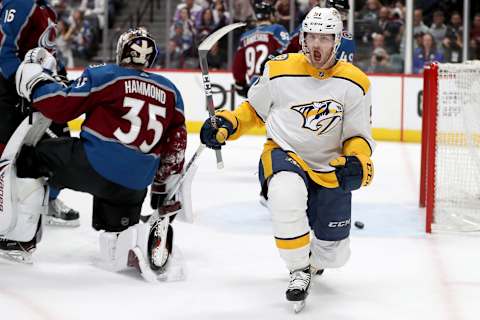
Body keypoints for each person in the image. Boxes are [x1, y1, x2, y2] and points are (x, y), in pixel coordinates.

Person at [200, 7, 374, 305]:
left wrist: (358, 163)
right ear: (302, 38)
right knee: (284, 194)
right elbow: (253, 110)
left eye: (324, 38)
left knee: (334, 255)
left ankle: (314, 261)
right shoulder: (279, 68)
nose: (316, 45)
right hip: (285, 152)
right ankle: (297, 269)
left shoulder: (356, 83)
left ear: (337, 41)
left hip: (329, 166)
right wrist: (229, 123)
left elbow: (358, 136)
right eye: (311, 37)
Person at [1, 27, 187, 281]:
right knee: (114, 252)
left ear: (122, 50)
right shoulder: (171, 92)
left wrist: (36, 80)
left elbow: (60, 106)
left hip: (94, 166)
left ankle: (18, 241)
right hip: (133, 186)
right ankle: (130, 244)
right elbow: (176, 148)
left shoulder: (107, 75)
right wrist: (161, 194)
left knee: (32, 159)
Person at [0, 0, 80, 230]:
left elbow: (48, 54)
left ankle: (49, 200)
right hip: (13, 92)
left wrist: (60, 78)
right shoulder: (20, 3)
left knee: (59, 143)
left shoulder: (46, 9)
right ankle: (8, 208)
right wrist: (23, 82)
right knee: (7, 150)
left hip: (40, 90)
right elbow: (4, 52)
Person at [232, 0, 289, 98]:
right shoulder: (276, 29)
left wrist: (240, 83)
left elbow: (238, 67)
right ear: (270, 15)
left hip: (253, 87)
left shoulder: (245, 36)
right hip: (273, 84)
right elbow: (289, 49)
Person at [284, 0, 355, 63]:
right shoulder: (306, 28)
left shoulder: (346, 40)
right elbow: (283, 52)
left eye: (342, 13)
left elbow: (343, 70)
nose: (338, 16)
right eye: (336, 12)